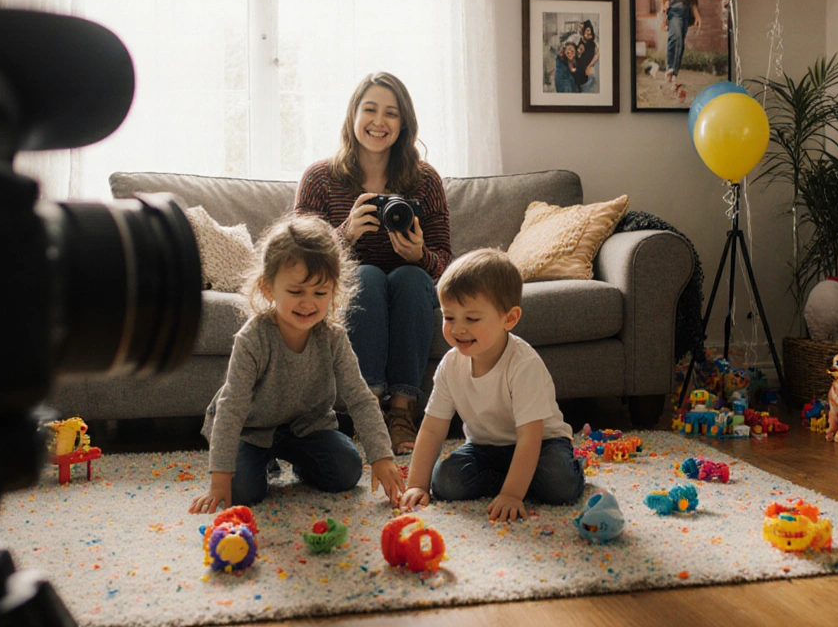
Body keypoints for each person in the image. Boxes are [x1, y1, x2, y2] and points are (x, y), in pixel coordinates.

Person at [188, 214, 407, 512]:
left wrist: (381, 457)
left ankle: (298, 462)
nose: (308, 303)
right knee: (241, 491)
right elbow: (232, 407)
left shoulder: (333, 338)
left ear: (334, 292)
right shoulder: (253, 338)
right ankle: (263, 461)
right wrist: (219, 480)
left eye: (320, 293)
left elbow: (359, 397)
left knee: (346, 470)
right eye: (295, 292)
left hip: (307, 428)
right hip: (251, 430)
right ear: (268, 289)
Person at [294, 72, 451, 456]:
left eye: (391, 113)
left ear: (404, 123)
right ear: (353, 115)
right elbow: (296, 259)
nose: (379, 122)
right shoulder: (319, 178)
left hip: (412, 290)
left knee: (411, 278)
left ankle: (402, 412)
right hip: (353, 288)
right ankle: (369, 410)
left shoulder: (424, 180)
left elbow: (447, 265)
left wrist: (420, 256)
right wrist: (344, 235)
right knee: (365, 275)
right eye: (370, 110)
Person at [399, 249, 584, 521]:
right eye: (449, 318)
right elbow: (432, 429)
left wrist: (512, 494)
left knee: (559, 484)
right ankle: (513, 477)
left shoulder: (523, 364)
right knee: (446, 481)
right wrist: (417, 483)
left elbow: (529, 437)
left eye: (471, 319)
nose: (458, 329)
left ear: (509, 319)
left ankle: (563, 466)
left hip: (543, 443)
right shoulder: (450, 365)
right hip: (486, 447)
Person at [660, 0, 700, 88]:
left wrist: (697, 17)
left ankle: (674, 75)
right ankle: (670, 68)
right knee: (675, 38)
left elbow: (693, 3)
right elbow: (665, 6)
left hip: (684, 17)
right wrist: (664, 20)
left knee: (679, 43)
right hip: (673, 16)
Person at [575, 21, 599, 94]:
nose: (588, 32)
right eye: (586, 30)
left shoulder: (593, 43)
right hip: (580, 72)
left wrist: (589, 66)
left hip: (588, 72)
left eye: (589, 30)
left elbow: (597, 54)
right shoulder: (581, 41)